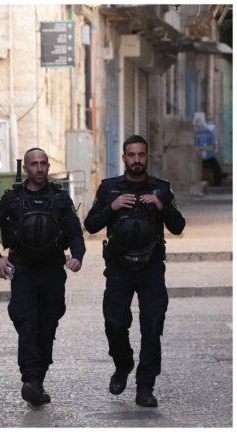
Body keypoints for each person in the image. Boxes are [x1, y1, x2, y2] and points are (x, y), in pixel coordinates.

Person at [84, 135, 185, 407]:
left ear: (147, 156)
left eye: (141, 155)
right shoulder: (109, 188)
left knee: (152, 327)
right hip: (118, 267)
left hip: (151, 267)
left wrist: (162, 206)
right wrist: (112, 207)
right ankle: (123, 362)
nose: (137, 160)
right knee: (114, 323)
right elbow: (91, 225)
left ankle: (145, 387)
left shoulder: (161, 188)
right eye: (132, 155)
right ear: (124, 158)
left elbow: (178, 226)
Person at [0, 148, 86, 406]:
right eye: (33, 164)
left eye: (43, 164)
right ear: (26, 168)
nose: (39, 169)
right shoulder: (12, 199)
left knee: (47, 325)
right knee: (26, 322)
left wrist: (77, 256)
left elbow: (75, 233)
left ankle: (37, 381)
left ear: (48, 166)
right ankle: (30, 378)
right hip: (24, 270)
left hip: (52, 270)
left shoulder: (61, 199)